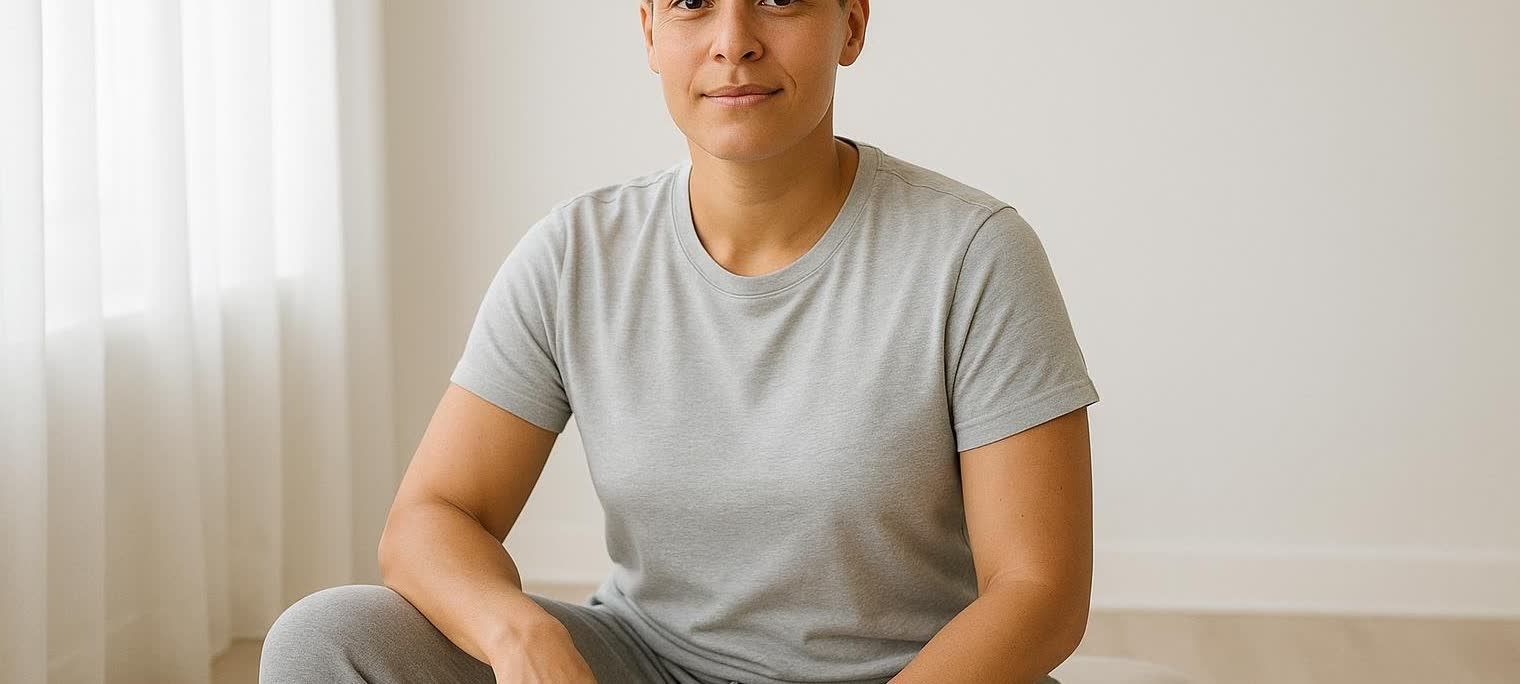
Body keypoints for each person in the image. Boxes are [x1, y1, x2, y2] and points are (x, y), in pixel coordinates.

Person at [261, 1, 1099, 682]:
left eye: (778, 0)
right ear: (650, 31)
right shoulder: (575, 254)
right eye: (693, 4)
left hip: (907, 676)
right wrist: (518, 634)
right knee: (326, 638)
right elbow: (430, 518)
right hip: (646, 662)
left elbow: (1039, 591)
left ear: (851, 24)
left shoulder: (975, 253)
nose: (734, 42)